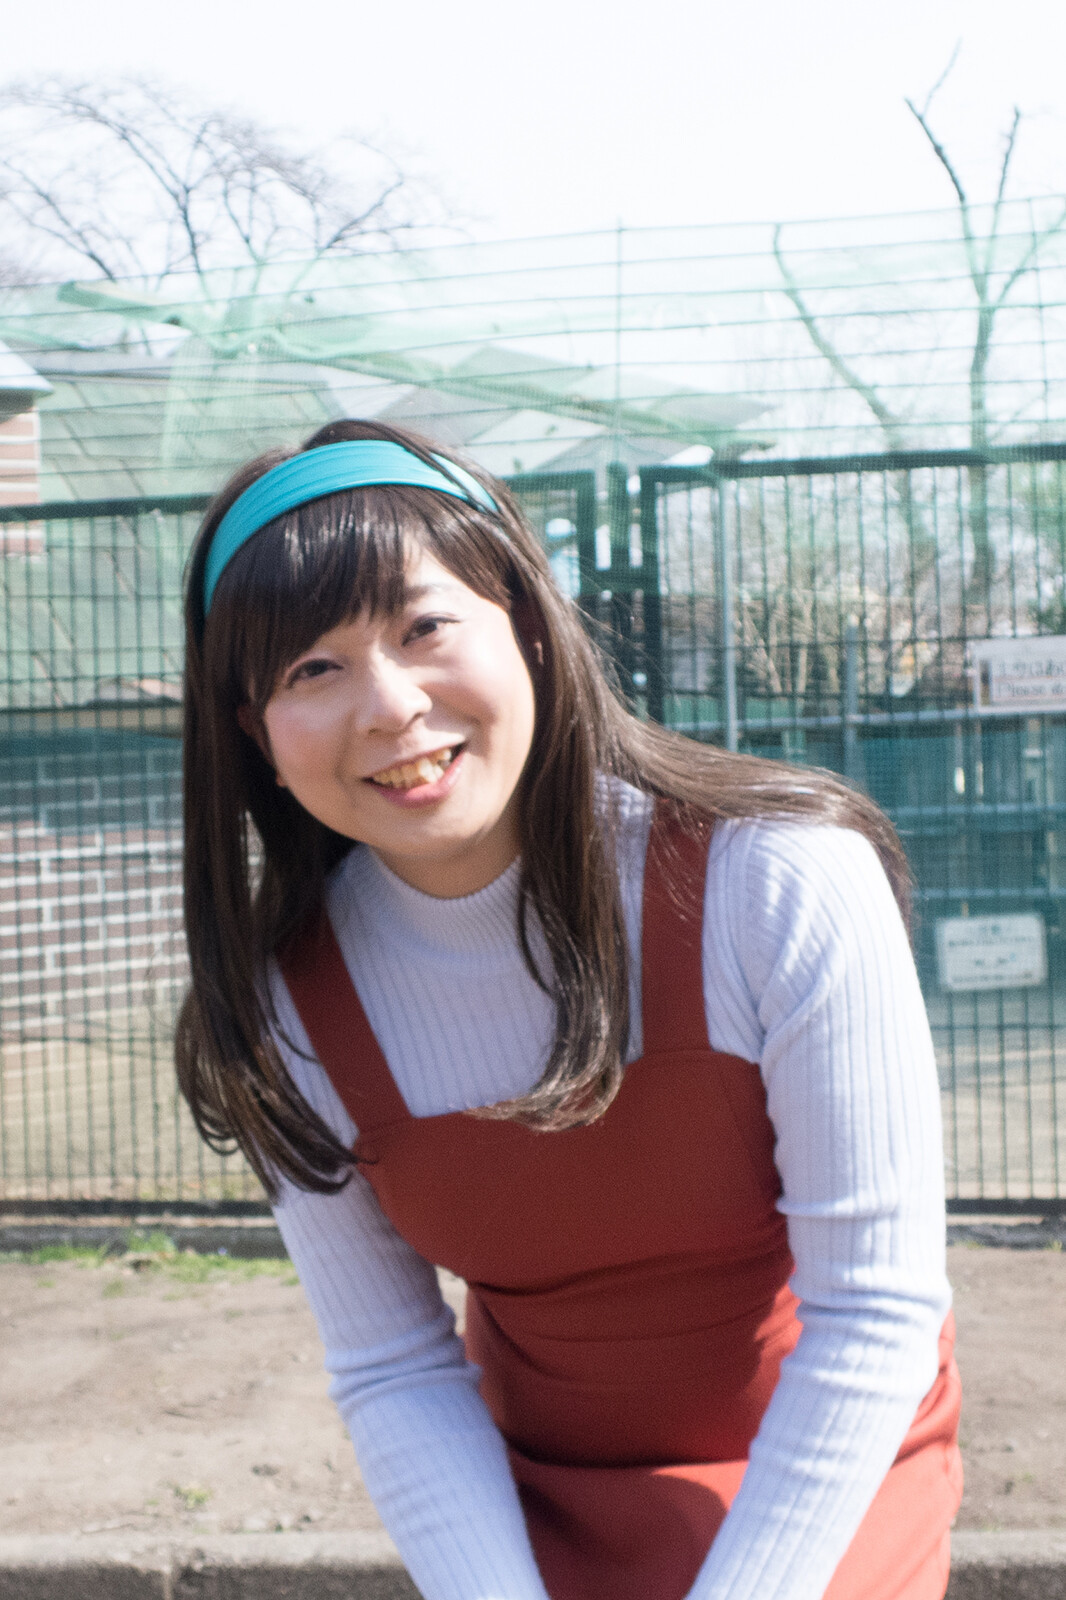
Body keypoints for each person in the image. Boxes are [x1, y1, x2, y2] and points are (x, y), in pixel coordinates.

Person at [176, 417, 962, 1600]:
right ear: (256, 733)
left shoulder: (779, 878)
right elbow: (394, 1367)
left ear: (529, 627)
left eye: (423, 627)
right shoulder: (285, 1001)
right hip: (534, 1490)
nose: (388, 705)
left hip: (828, 1459)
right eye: (310, 670)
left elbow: (874, 1310)